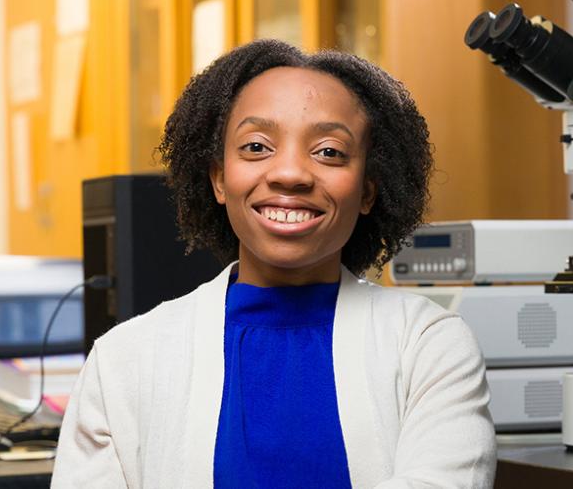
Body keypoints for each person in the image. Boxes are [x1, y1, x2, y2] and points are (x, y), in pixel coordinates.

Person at [52, 39, 496, 488]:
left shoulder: (428, 346)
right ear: (219, 179)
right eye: (257, 147)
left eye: (329, 152)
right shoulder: (124, 359)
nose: (290, 173)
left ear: (367, 191)